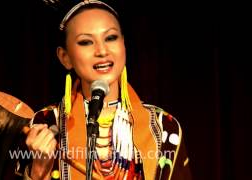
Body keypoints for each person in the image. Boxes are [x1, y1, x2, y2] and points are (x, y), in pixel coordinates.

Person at [23, 0, 191, 179]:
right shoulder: (46, 126)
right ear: (65, 57)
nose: (102, 51)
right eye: (86, 42)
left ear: (124, 45)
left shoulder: (164, 127)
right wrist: (39, 172)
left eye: (111, 38)